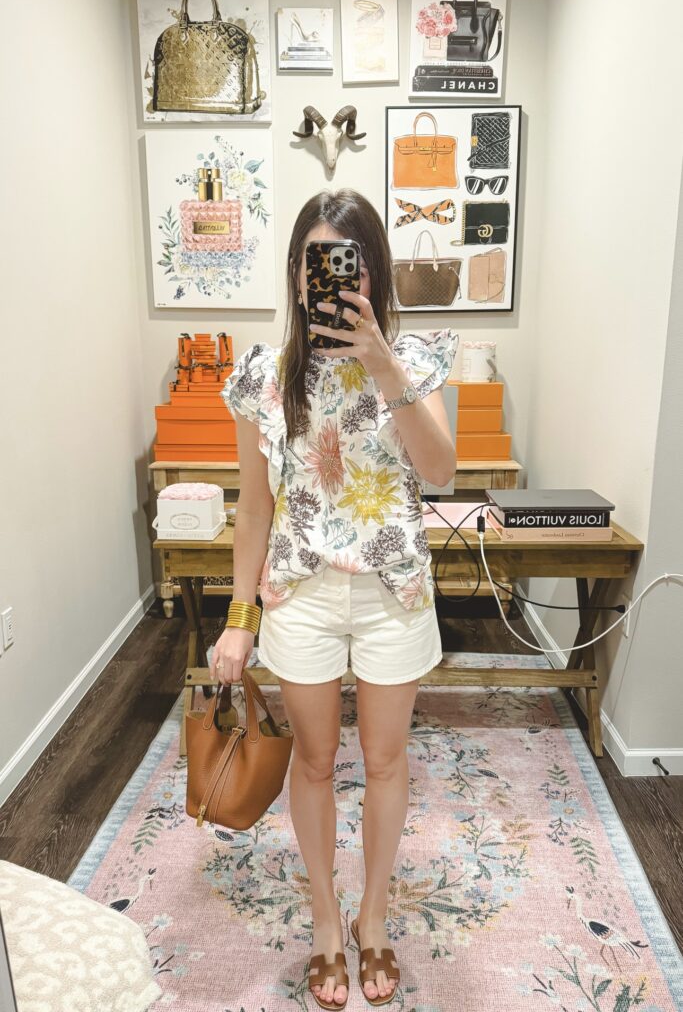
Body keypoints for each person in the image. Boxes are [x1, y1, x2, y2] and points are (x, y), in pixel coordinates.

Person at [210, 189, 458, 1009]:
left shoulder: (415, 360)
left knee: (385, 762)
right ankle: (325, 920)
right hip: (301, 595)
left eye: (344, 264)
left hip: (391, 591)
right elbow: (254, 508)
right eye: (315, 263)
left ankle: (372, 915)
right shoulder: (263, 378)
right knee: (313, 764)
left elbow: (441, 472)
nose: (330, 281)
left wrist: (382, 362)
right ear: (297, 274)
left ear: (371, 273)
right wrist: (238, 620)